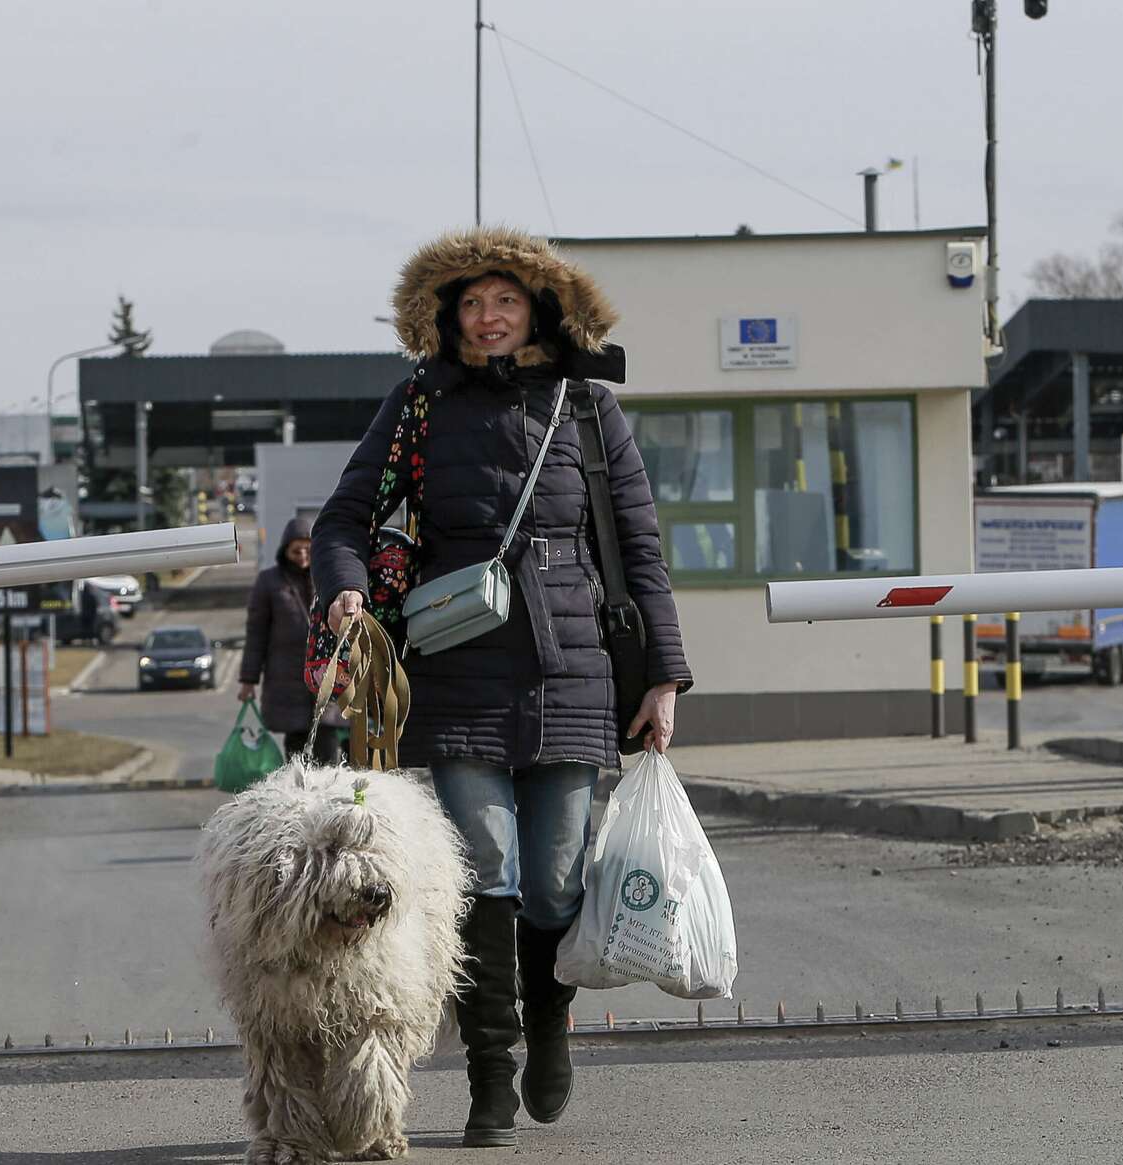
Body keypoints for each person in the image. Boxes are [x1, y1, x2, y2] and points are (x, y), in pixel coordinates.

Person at [311, 226, 693, 1148]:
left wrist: (665, 677)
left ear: (540, 310)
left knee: (557, 885)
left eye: (505, 301)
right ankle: (490, 1069)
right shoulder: (417, 405)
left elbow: (639, 548)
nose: (488, 318)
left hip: (574, 673)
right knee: (485, 872)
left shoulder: (588, 408)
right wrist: (345, 587)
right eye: (472, 303)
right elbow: (343, 517)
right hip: (455, 669)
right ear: (448, 316)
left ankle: (551, 1024)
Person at [238, 517, 341, 763]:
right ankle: (300, 800)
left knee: (328, 749)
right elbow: (256, 633)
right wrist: (248, 680)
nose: (303, 555)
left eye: (308, 549)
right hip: (287, 680)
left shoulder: (328, 576)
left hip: (326, 677)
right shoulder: (269, 581)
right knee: (297, 754)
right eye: (297, 550)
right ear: (285, 550)